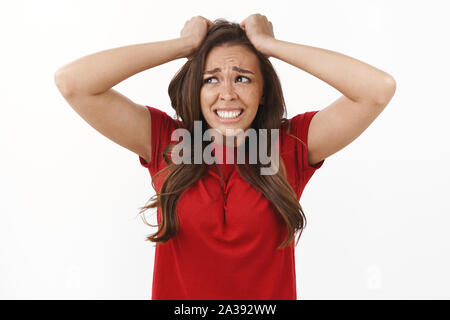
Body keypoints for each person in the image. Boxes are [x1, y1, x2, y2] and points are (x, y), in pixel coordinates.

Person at [54, 14, 396, 300]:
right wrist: (183, 46)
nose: (227, 94)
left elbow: (377, 89)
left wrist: (271, 47)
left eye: (243, 78)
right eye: (211, 79)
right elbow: (73, 82)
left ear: (262, 92)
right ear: (196, 90)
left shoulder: (288, 146)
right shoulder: (168, 142)